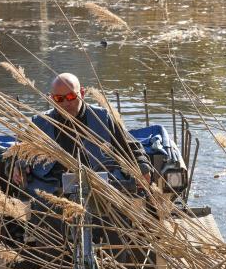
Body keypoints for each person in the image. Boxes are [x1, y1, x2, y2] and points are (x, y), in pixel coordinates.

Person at [13, 73, 152, 189]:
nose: (66, 103)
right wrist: (16, 166)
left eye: (71, 97)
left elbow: (131, 147)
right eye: (59, 99)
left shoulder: (103, 118)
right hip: (51, 191)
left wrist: (142, 166)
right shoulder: (39, 123)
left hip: (102, 187)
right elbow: (17, 153)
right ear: (52, 99)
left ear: (82, 94)